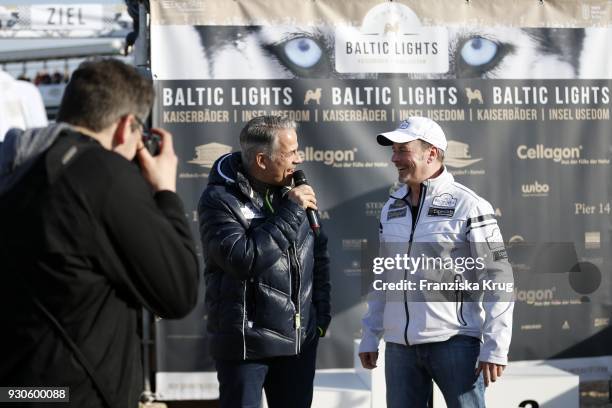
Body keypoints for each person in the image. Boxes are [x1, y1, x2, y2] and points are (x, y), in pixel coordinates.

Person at [0, 58, 199, 407]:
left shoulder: (16, 166)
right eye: (141, 132)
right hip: (77, 394)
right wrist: (165, 192)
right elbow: (178, 291)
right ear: (125, 127)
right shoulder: (103, 176)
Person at [359, 117, 514, 408]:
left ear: (431, 153)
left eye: (402, 150)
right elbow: (383, 277)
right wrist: (370, 335)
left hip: (454, 343)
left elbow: (498, 277)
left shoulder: (470, 205)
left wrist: (495, 346)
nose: (394, 158)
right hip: (399, 348)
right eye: (393, 151)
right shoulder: (391, 207)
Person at [198, 115, 331, 408]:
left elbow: (319, 254)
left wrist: (319, 320)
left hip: (298, 344)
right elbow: (243, 259)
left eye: (298, 149)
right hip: (246, 347)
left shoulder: (294, 189)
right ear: (261, 160)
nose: (299, 159)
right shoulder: (219, 199)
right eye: (291, 152)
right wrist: (291, 210)